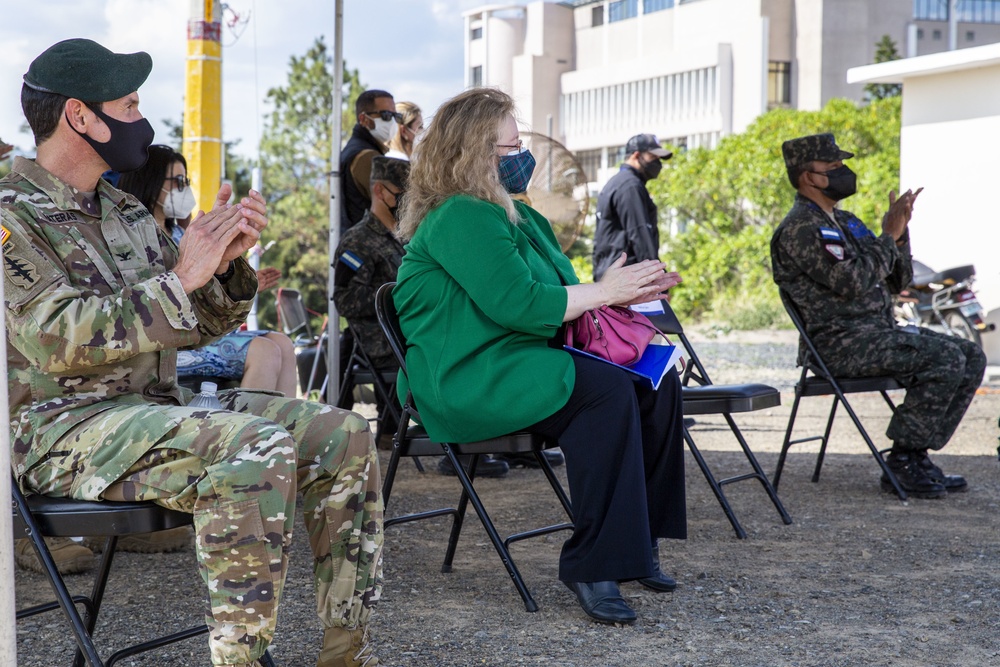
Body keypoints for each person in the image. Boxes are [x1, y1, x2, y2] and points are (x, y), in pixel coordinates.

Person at [3, 38, 383, 667]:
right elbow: (54, 337)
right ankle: (240, 659)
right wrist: (181, 279)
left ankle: (345, 649)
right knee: (248, 445)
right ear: (79, 115)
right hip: (57, 430)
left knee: (341, 432)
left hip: (150, 411)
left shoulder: (124, 210)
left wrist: (225, 271)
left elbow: (191, 325)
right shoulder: (14, 217)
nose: (139, 119)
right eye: (126, 104)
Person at [393, 87, 687, 625]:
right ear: (474, 154)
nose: (523, 156)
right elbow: (522, 305)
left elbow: (565, 293)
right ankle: (594, 565)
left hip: (519, 359)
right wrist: (608, 291)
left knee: (656, 380)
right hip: (467, 376)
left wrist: (626, 286)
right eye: (511, 146)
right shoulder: (460, 215)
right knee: (606, 394)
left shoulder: (519, 219)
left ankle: (636, 544)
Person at [771, 133, 986, 499]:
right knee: (946, 357)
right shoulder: (799, 229)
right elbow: (853, 281)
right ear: (808, 176)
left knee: (971, 354)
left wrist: (900, 238)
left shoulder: (847, 222)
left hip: (877, 333)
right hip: (839, 344)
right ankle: (902, 461)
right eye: (834, 167)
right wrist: (888, 235)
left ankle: (915, 453)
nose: (845, 172)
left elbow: (897, 281)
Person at [119, 144, 298, 397]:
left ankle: (285, 431)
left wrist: (231, 280)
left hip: (200, 334)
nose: (185, 188)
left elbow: (204, 293)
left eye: (187, 180)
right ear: (151, 181)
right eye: (178, 181)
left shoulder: (184, 233)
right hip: (168, 346)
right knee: (265, 351)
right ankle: (252, 434)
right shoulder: (132, 238)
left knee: (283, 343)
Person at [592, 133, 672, 282]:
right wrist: (658, 280)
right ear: (636, 155)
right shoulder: (630, 186)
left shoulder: (618, 182)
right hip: (626, 280)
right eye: (653, 157)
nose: (658, 163)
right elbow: (640, 234)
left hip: (613, 277)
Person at [340, 89, 398, 232]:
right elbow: (391, 204)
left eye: (395, 116)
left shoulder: (361, 149)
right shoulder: (366, 156)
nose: (391, 121)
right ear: (363, 119)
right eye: (385, 115)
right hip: (367, 244)